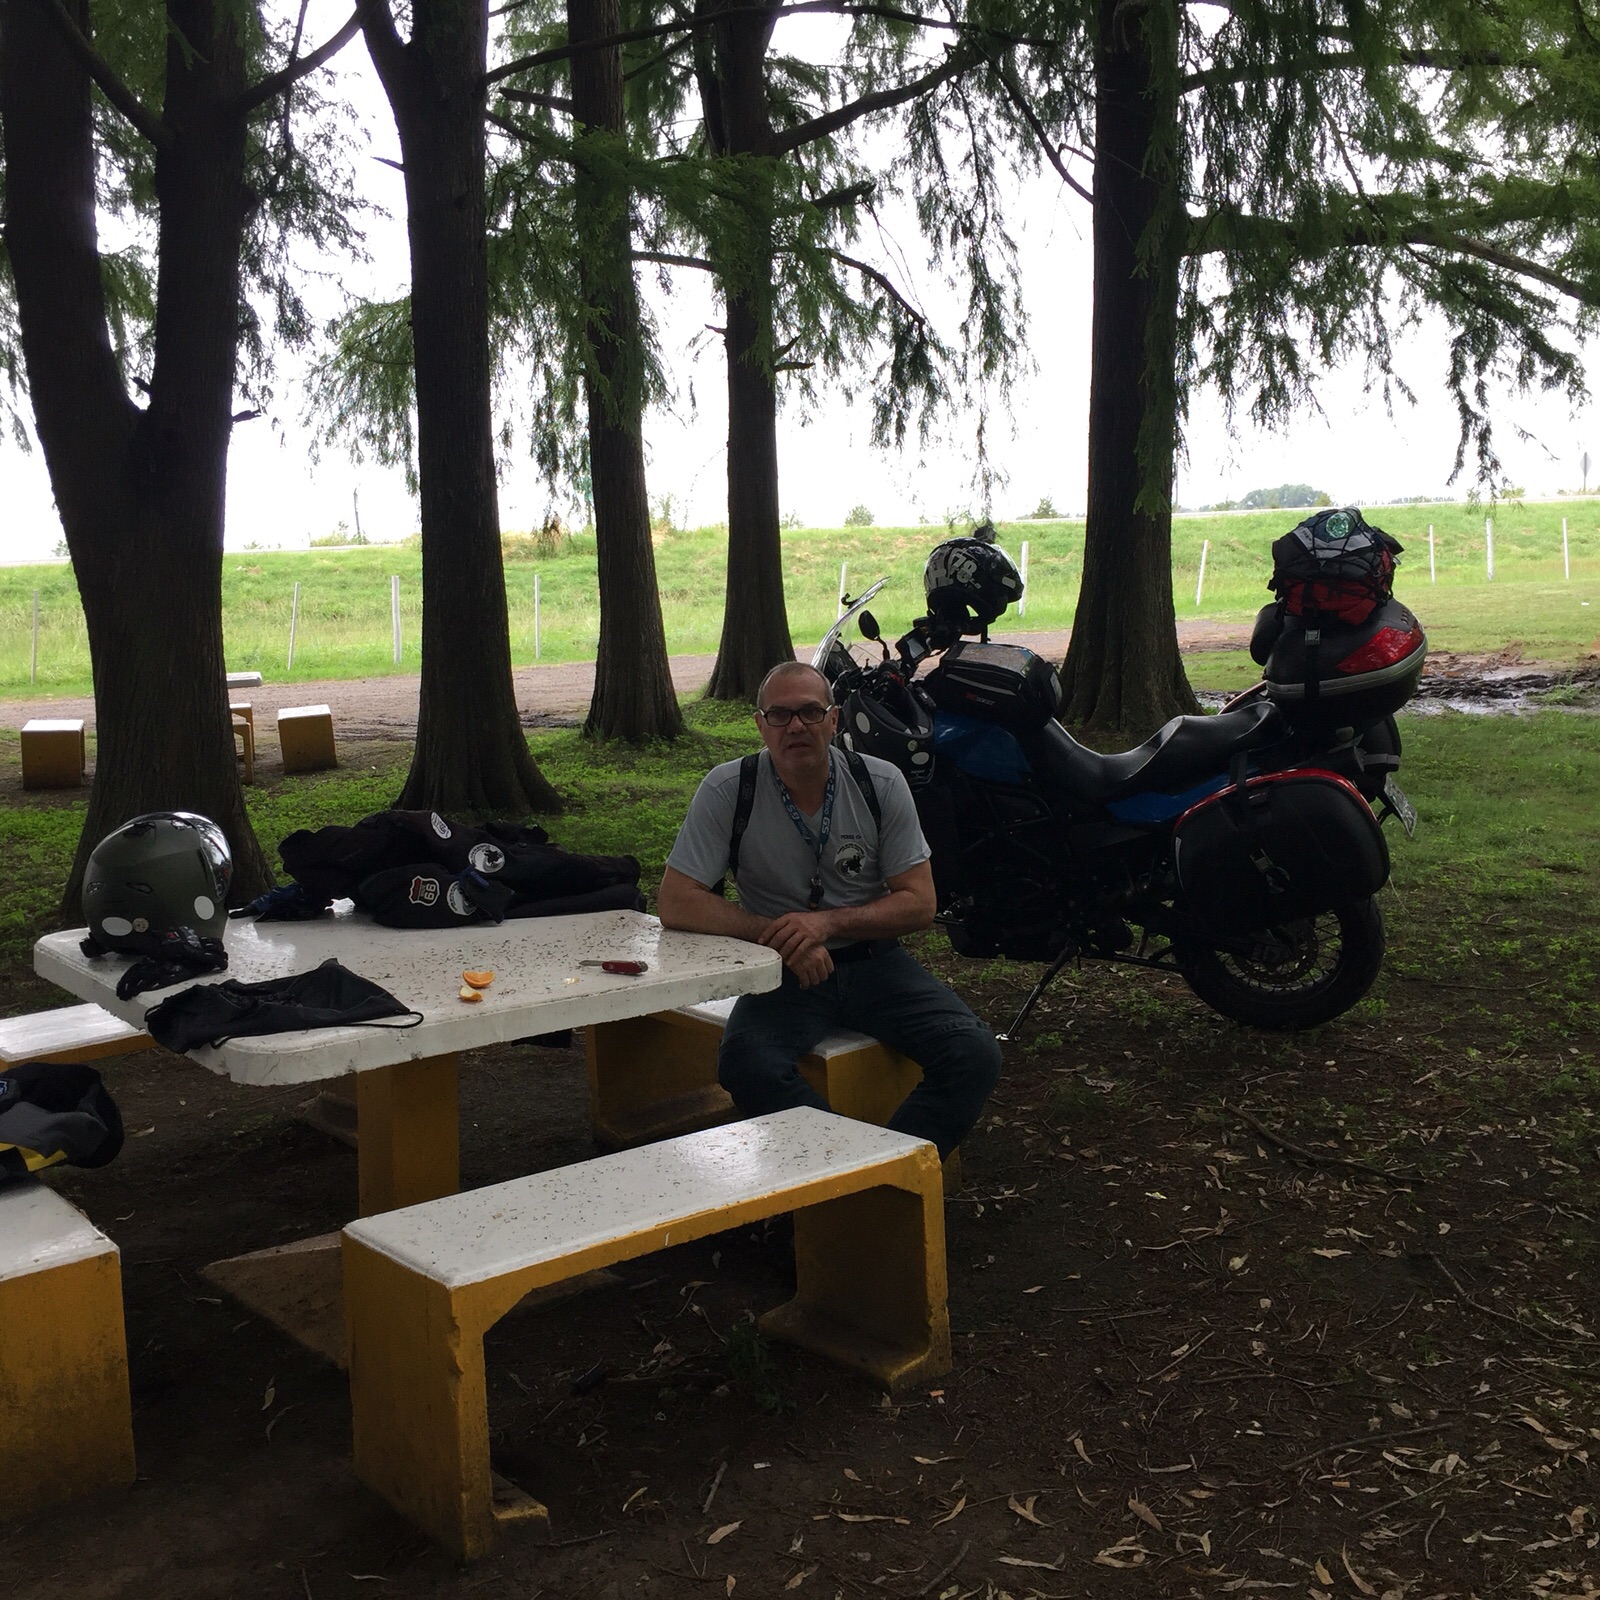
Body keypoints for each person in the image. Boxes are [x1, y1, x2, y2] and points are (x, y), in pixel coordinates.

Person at [657, 660, 1001, 1159]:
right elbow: (676, 899)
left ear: (834, 719)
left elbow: (920, 903)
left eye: (810, 712)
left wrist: (826, 923)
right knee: (748, 1064)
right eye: (780, 715)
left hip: (875, 962)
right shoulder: (730, 788)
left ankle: (889, 1171)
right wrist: (781, 937)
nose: (795, 726)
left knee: (973, 1052)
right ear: (760, 725)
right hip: (781, 971)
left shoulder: (879, 782)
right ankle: (843, 1170)